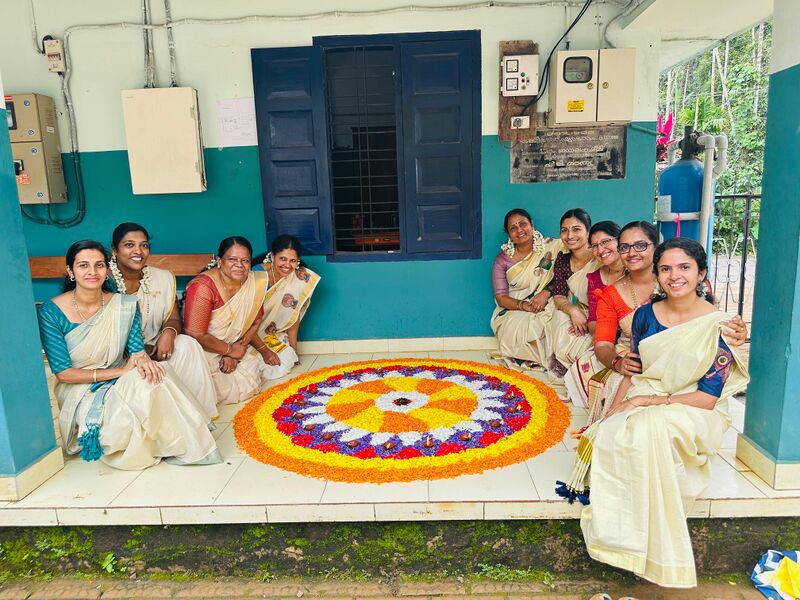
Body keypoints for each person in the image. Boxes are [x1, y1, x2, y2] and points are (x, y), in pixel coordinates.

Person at [560, 238, 750, 588]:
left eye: (684, 267)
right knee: (614, 433)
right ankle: (624, 545)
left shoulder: (720, 326)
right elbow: (635, 372)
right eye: (666, 269)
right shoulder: (645, 315)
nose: (674, 276)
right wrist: (612, 411)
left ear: (701, 274)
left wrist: (649, 402)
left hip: (695, 408)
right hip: (646, 392)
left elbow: (707, 398)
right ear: (657, 275)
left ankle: (653, 552)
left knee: (650, 430)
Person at [38, 240, 221, 469]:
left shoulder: (124, 305)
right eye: (83, 265)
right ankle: (178, 439)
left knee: (157, 372)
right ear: (71, 271)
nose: (92, 272)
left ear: (107, 269)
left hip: (120, 378)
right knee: (138, 389)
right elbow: (64, 374)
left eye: (99, 265)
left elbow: (136, 352)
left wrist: (143, 362)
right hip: (79, 390)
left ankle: (186, 444)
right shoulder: (51, 311)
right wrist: (121, 372)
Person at [109, 222, 218, 419]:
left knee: (188, 344)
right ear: (114, 250)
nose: (138, 251)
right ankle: (165, 421)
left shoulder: (163, 278)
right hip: (119, 358)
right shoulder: (102, 281)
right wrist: (138, 351)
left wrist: (168, 333)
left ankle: (198, 416)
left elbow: (174, 318)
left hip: (157, 349)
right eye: (129, 245)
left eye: (144, 245)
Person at [183, 236, 296, 404]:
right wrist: (229, 350)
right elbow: (195, 333)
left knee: (249, 383)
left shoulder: (254, 282)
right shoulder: (202, 287)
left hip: (236, 345)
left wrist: (237, 351)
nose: (239, 265)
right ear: (219, 261)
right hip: (204, 349)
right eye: (232, 259)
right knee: (208, 390)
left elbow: (256, 320)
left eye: (245, 260)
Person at [490, 208, 565, 370]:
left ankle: (557, 356)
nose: (519, 230)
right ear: (508, 234)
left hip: (548, 299)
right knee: (516, 325)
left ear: (532, 224)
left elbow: (566, 272)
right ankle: (529, 357)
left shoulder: (553, 247)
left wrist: (546, 292)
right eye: (513, 228)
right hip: (514, 305)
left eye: (523, 224)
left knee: (557, 314)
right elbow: (501, 297)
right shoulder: (502, 260)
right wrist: (524, 306)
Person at [563, 220, 625, 405]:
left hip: (633, 334)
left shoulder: (635, 270)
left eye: (606, 242)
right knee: (582, 368)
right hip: (608, 336)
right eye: (595, 246)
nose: (600, 249)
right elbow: (592, 318)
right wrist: (602, 338)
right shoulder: (595, 278)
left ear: (620, 241)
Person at [545, 209, 599, 385]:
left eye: (576, 229)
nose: (569, 236)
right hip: (581, 311)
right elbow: (559, 295)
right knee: (558, 316)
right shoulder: (563, 260)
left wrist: (591, 320)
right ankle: (565, 366)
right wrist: (574, 311)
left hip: (603, 314)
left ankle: (583, 370)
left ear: (588, 232)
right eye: (564, 230)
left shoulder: (600, 256)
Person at [252, 234, 320, 361]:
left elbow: (293, 315)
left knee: (287, 358)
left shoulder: (298, 277)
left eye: (292, 261)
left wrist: (294, 352)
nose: (287, 265)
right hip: (247, 334)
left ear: (298, 261)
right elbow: (245, 317)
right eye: (283, 259)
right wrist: (263, 350)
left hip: (269, 334)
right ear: (273, 256)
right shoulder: (257, 275)